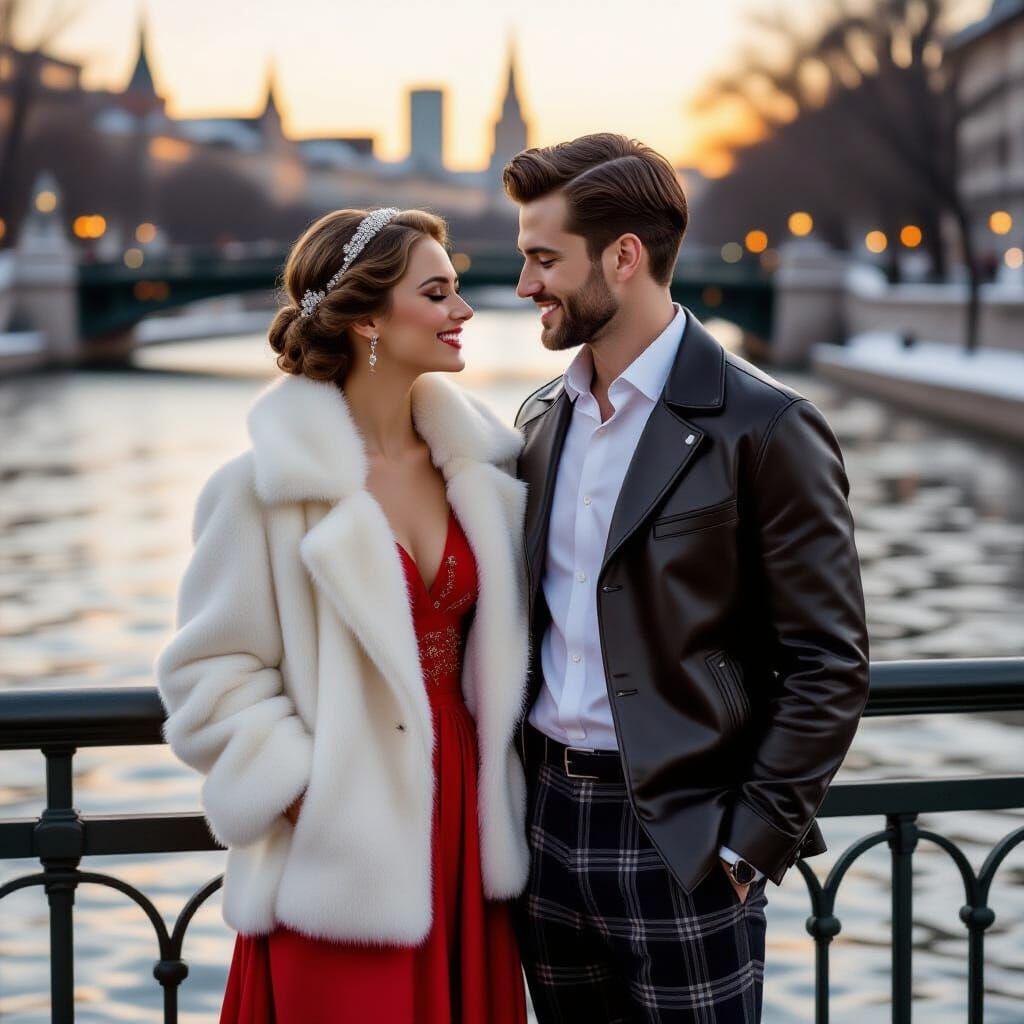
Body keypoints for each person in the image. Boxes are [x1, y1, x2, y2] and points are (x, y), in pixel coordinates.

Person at [504, 134, 870, 1023]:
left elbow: (830, 663)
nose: (523, 285)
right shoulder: (539, 419)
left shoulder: (767, 426)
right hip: (544, 831)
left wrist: (747, 849)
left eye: (544, 259)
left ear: (624, 258)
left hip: (684, 842)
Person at [156, 207, 530, 1024]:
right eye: (438, 293)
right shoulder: (260, 489)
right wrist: (308, 798)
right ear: (366, 316)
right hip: (342, 852)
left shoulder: (487, 469)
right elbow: (206, 678)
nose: (464, 311)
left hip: (468, 820)